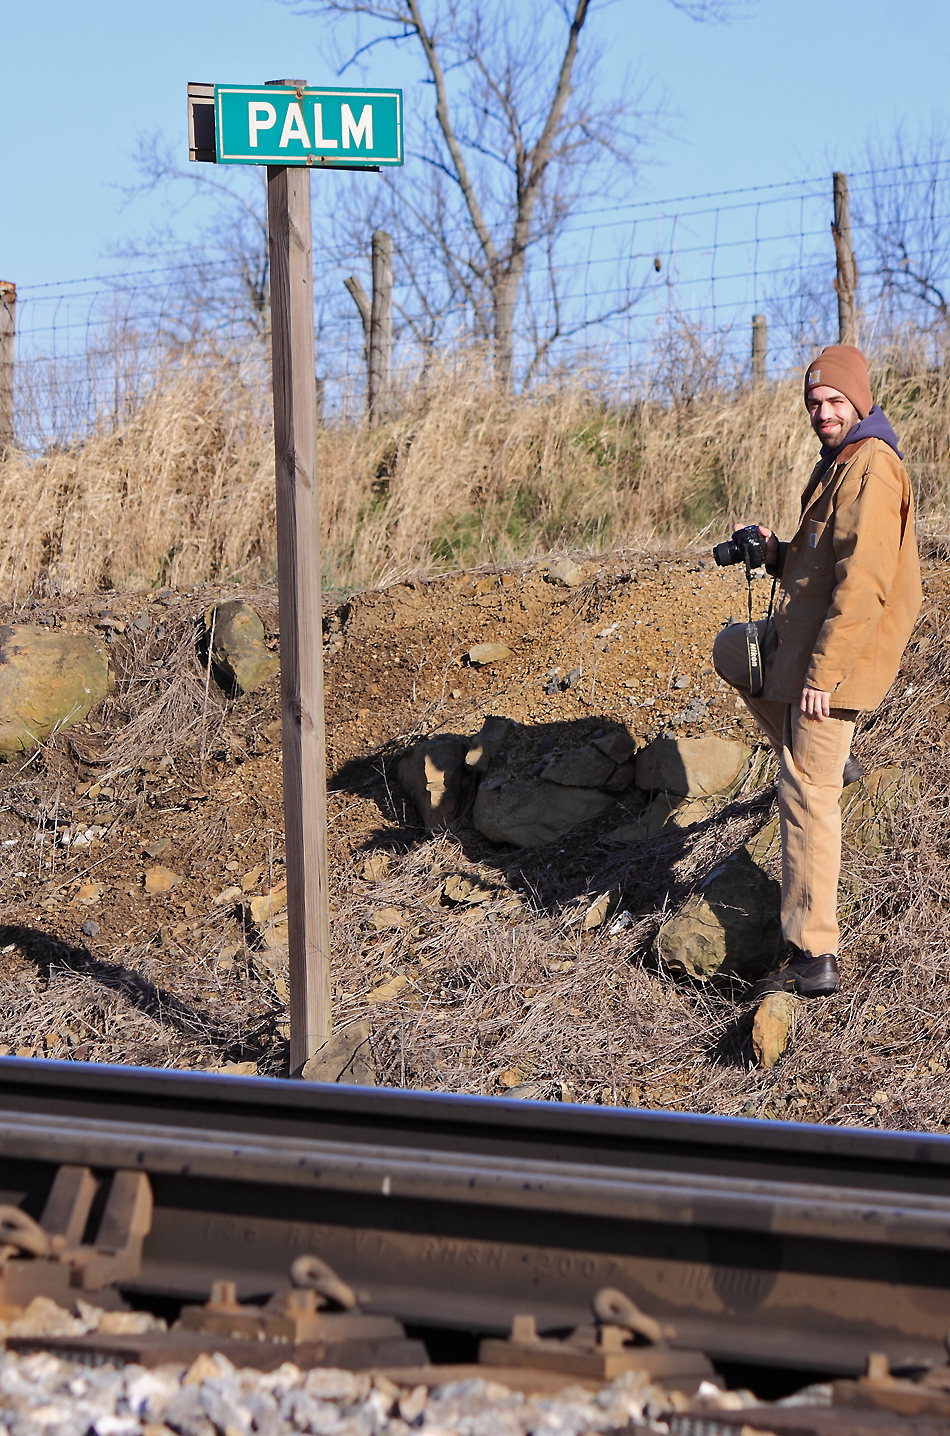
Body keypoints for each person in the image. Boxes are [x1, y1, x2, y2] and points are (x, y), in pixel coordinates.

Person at [713, 344, 921, 997]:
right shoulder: (842, 463)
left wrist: (822, 678)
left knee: (804, 793)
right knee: (733, 651)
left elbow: (862, 588)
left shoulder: (874, 469)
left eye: (833, 401)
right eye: (814, 402)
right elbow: (816, 565)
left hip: (842, 654)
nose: (822, 412)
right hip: (809, 638)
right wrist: (772, 552)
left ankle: (811, 954)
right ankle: (833, 760)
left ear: (858, 401)